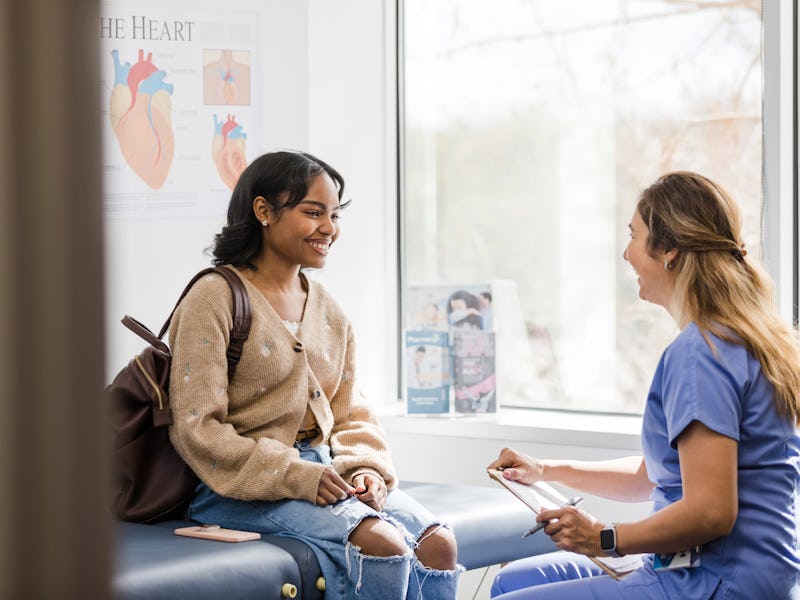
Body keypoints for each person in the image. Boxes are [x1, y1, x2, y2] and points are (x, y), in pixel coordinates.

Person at [488, 171, 800, 599]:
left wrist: (604, 537)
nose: (625, 252)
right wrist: (546, 470)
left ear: (668, 249)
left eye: (634, 235)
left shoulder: (701, 353)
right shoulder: (736, 338)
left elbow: (711, 512)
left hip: (715, 580)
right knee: (516, 580)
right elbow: (654, 475)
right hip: (734, 569)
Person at [168, 150, 462, 599]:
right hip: (235, 489)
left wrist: (366, 470)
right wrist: (295, 474)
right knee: (382, 543)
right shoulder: (213, 297)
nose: (329, 228)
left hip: (328, 473)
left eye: (334, 215)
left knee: (439, 544)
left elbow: (350, 412)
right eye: (313, 212)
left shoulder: (327, 308)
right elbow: (197, 428)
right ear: (263, 211)